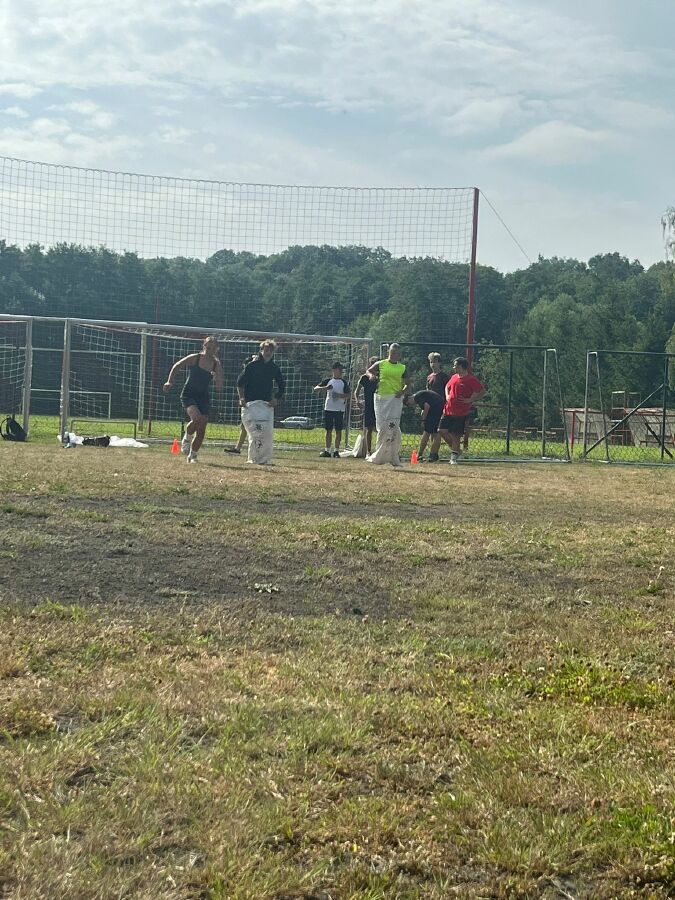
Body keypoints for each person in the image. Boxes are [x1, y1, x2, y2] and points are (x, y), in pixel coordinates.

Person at [163, 336, 223, 463]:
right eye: (208, 347)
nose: (210, 350)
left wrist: (217, 374)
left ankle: (193, 455)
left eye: (213, 348)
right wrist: (169, 381)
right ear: (204, 346)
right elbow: (177, 365)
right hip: (189, 394)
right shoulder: (195, 358)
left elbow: (219, 384)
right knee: (196, 418)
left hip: (203, 396)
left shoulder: (215, 363)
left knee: (202, 427)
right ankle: (187, 437)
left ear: (216, 349)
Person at [236, 339, 285, 464]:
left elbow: (282, 387)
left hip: (266, 405)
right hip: (251, 404)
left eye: (271, 350)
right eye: (266, 350)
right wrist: (242, 398)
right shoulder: (252, 366)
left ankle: (264, 459)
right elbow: (240, 383)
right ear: (261, 350)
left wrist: (276, 398)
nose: (268, 352)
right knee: (255, 433)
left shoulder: (274, 368)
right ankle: (253, 458)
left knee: (266, 434)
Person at [365, 343, 411, 467]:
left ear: (400, 355)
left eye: (397, 354)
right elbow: (368, 371)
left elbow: (408, 384)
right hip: (381, 398)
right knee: (382, 427)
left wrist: (402, 392)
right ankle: (379, 455)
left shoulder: (402, 368)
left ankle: (393, 455)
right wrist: (371, 375)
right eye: (393, 353)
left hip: (395, 399)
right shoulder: (381, 364)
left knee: (393, 427)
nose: (395, 355)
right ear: (389, 353)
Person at [439, 356, 486, 464]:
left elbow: (482, 391)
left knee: (456, 435)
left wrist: (471, 399)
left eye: (455, 365)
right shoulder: (454, 377)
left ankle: (453, 457)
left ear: (461, 367)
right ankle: (456, 450)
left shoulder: (470, 379)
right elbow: (447, 386)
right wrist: (447, 396)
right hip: (448, 409)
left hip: (460, 412)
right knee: (441, 431)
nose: (453, 367)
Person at [314, 362, 350, 457]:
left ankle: (336, 451)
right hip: (329, 408)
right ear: (334, 370)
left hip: (339, 409)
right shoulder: (328, 381)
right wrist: (326, 388)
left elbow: (348, 395)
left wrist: (339, 395)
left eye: (341, 370)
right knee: (328, 430)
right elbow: (316, 388)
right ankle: (327, 450)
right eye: (339, 369)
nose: (341, 371)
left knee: (338, 430)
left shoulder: (343, 382)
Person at [404, 388, 445, 462]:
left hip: (436, 410)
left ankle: (426, 454)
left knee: (431, 433)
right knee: (432, 432)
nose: (411, 405)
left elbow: (427, 406)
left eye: (409, 403)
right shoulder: (420, 395)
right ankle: (432, 454)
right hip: (438, 408)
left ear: (409, 398)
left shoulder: (417, 397)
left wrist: (423, 420)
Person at [352, 355, 379, 455]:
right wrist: (357, 400)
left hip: (380, 405)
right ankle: (368, 451)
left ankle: (379, 450)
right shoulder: (364, 377)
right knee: (369, 428)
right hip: (368, 405)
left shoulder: (381, 378)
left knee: (380, 429)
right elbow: (357, 391)